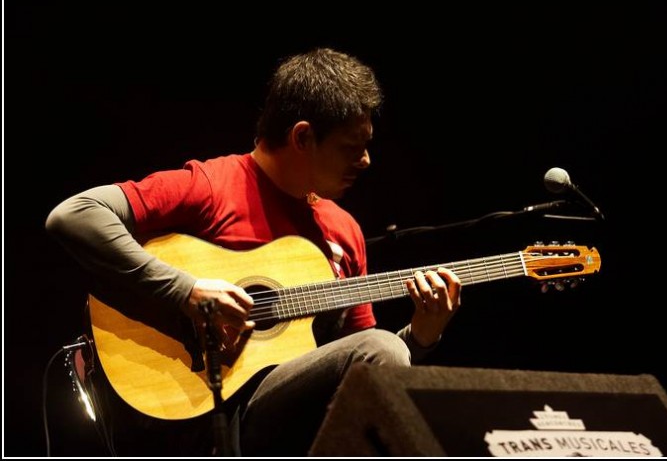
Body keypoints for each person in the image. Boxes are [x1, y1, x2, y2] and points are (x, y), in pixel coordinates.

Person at [46, 47, 462, 457]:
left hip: (290, 413)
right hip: (199, 413)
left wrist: (420, 336)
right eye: (351, 147)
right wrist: (186, 291)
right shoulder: (214, 185)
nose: (367, 160)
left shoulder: (343, 229)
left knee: (385, 349)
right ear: (302, 137)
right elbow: (74, 215)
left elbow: (360, 362)